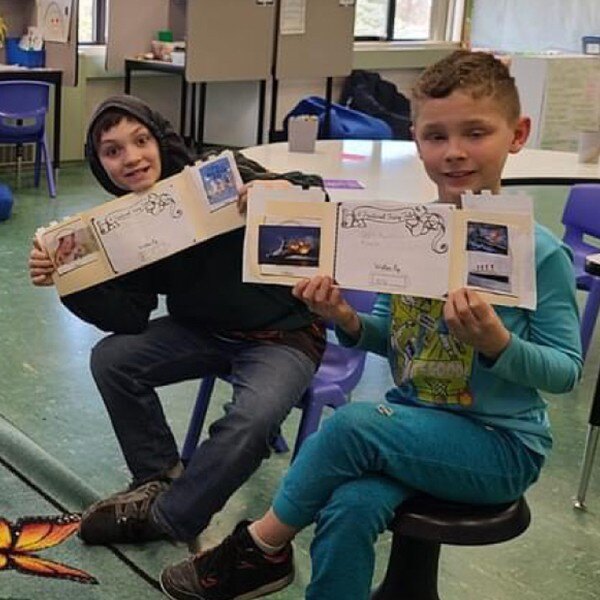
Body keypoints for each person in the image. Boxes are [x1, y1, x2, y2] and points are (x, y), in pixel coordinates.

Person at [158, 50, 583, 600]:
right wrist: (344, 318)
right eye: (435, 136)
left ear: (517, 134)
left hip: (499, 446)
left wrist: (497, 343)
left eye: (476, 133)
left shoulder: (539, 252)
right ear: (415, 140)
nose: (454, 152)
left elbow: (565, 372)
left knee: (352, 425)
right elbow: (389, 337)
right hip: (413, 425)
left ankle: (259, 549)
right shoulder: (410, 233)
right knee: (348, 507)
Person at [28, 95, 326, 547]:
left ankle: (168, 517)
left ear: (160, 139)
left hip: (281, 335)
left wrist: (279, 190)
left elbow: (315, 190)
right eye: (112, 150)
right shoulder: (127, 222)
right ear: (99, 164)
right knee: (112, 359)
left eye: (141, 140)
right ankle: (157, 477)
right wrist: (70, 280)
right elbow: (129, 316)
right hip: (204, 331)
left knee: (252, 420)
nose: (131, 158)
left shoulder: (215, 173)